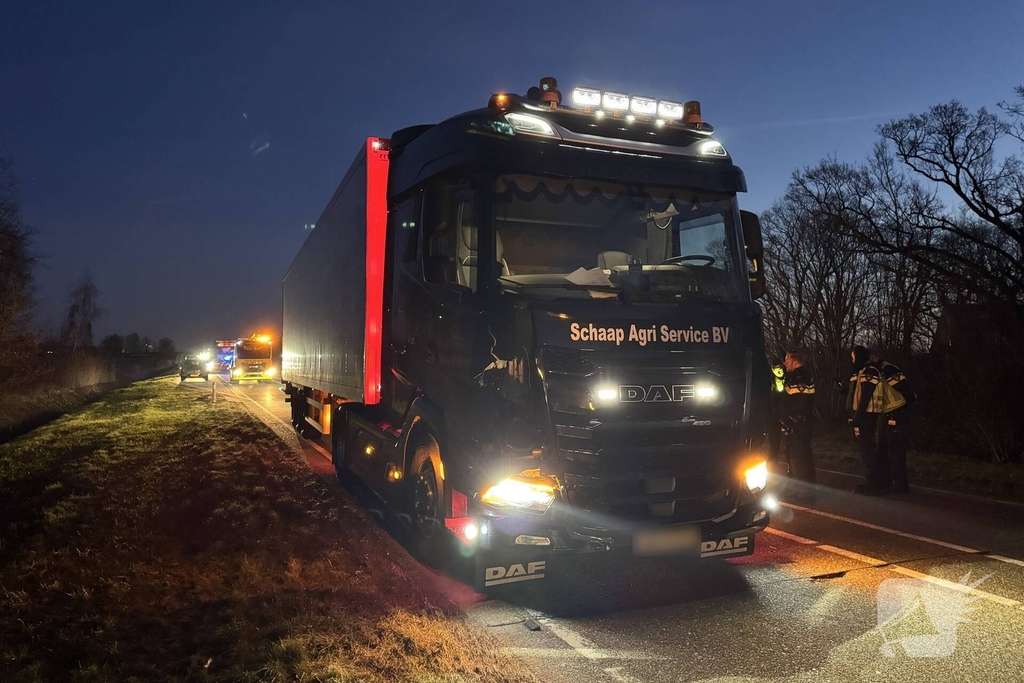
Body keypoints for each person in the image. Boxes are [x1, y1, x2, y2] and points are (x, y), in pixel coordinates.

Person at [870, 350, 913, 494]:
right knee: (882, 448)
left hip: (896, 413)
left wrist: (906, 410)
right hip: (885, 414)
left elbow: (906, 389)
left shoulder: (887, 369)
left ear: (873, 358)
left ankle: (900, 484)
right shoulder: (877, 371)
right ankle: (886, 481)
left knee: (896, 451)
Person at [848, 345, 887, 494]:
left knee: (867, 450)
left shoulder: (870, 370)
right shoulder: (863, 371)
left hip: (867, 415)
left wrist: (857, 416)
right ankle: (876, 481)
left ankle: (873, 483)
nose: (852, 361)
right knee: (866, 449)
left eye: (853, 357)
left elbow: (865, 395)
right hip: (864, 414)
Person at [781, 350, 816, 494]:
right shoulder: (804, 376)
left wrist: (789, 420)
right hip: (803, 423)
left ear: (796, 362)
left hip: (798, 424)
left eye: (787, 361)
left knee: (799, 457)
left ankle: (803, 491)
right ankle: (807, 488)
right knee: (804, 455)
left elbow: (797, 404)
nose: (785, 364)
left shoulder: (798, 378)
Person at [767, 357, 786, 465]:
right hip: (774, 413)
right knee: (773, 437)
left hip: (786, 411)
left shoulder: (788, 377)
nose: (779, 371)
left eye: (780, 368)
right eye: (776, 369)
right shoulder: (769, 379)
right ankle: (773, 459)